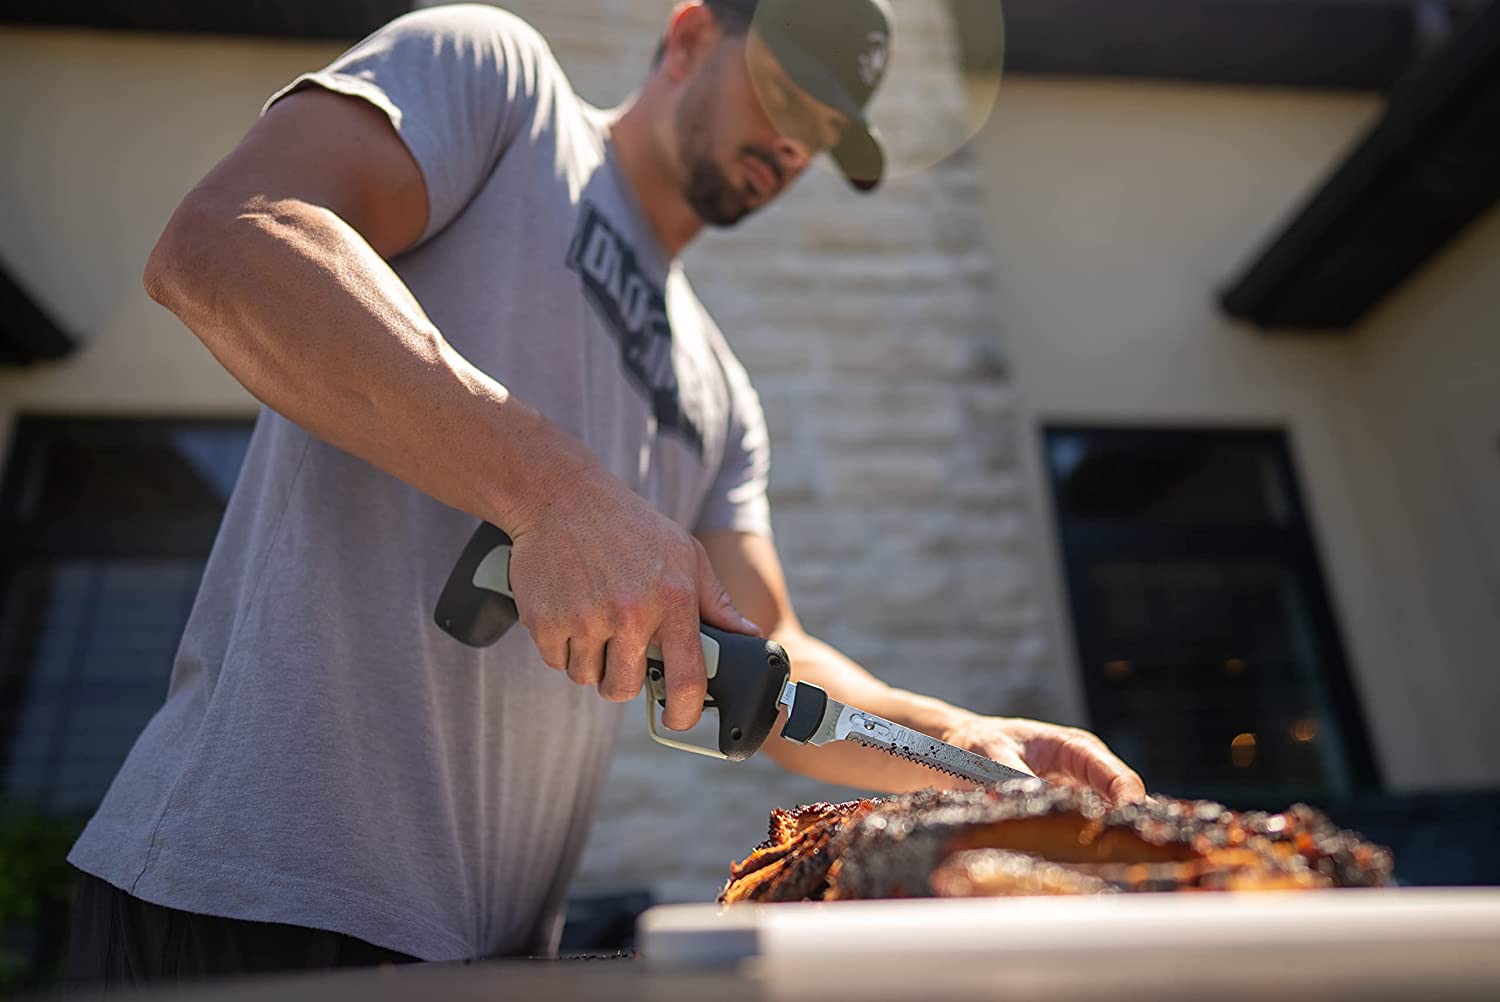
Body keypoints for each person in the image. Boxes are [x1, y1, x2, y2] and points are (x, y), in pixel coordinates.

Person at [65, 0, 1145, 985]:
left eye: (823, 134)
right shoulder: (499, 86)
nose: (794, 144)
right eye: (785, 94)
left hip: (489, 955)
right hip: (237, 894)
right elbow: (227, 239)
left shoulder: (719, 394)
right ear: (689, 36)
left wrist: (958, 739)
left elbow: (773, 656)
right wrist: (557, 494)